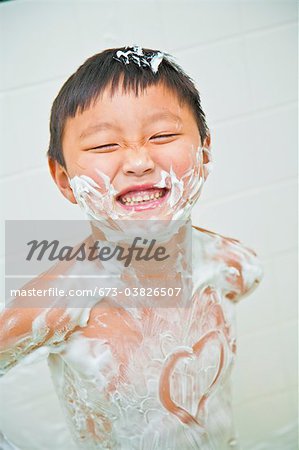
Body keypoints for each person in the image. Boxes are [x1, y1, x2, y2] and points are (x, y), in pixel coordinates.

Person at [0, 46, 263, 450]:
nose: (139, 161)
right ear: (65, 179)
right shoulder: (56, 304)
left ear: (205, 151)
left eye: (163, 135)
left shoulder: (231, 265)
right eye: (105, 145)